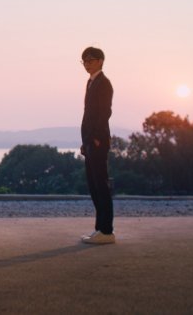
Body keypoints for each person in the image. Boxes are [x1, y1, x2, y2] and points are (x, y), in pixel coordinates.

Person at [79, 46, 115, 244]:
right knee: (93, 186)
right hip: (90, 141)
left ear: (100, 60)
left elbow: (104, 113)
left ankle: (107, 231)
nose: (86, 64)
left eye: (90, 60)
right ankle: (99, 229)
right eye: (84, 61)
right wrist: (85, 141)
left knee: (101, 185)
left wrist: (96, 138)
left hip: (98, 141)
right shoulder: (91, 82)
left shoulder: (104, 83)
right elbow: (88, 114)